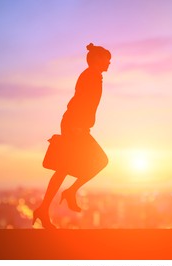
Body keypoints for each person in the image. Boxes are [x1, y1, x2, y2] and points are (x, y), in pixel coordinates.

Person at [33, 43, 111, 229]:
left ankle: (45, 208)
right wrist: (75, 127)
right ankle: (68, 193)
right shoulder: (89, 76)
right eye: (107, 59)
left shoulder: (94, 76)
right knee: (100, 161)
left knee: (64, 168)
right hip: (74, 126)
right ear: (97, 60)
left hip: (77, 126)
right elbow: (79, 101)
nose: (109, 62)